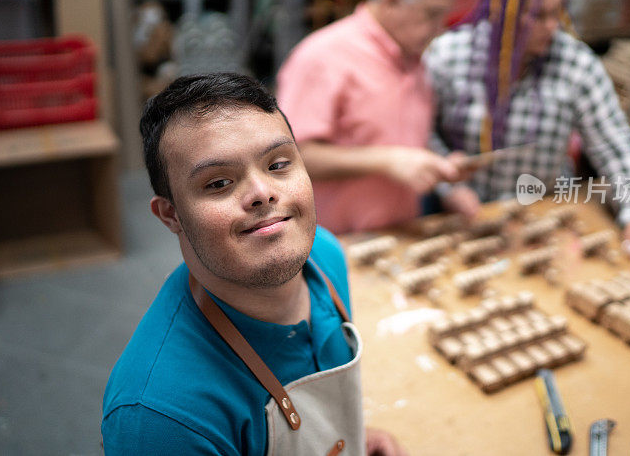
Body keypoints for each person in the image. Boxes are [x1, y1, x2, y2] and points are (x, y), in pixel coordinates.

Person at [101, 73, 405, 455]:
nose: (262, 193)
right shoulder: (160, 418)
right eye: (218, 183)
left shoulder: (325, 256)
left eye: (278, 164)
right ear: (171, 215)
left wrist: (349, 437)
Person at [425, 0, 630, 256]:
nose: (552, 26)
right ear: (501, 13)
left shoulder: (575, 63)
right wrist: (450, 187)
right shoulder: (449, 55)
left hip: (543, 212)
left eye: (557, 12)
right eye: (538, 16)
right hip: (467, 217)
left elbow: (613, 144)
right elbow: (420, 131)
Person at [276, 0, 480, 235]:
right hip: (331, 243)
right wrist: (387, 160)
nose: (440, 29)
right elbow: (289, 158)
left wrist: (442, 173)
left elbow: (407, 142)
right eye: (432, 14)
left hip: (397, 235)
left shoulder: (415, 60)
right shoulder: (323, 55)